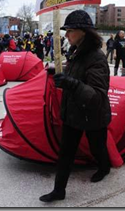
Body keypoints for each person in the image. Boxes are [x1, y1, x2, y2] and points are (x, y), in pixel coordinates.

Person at [39, 10, 111, 202]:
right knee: (66, 153)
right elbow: (76, 74)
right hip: (73, 112)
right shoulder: (75, 52)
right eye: (66, 30)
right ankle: (59, 191)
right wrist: (59, 72)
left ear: (84, 32)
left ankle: (104, 168)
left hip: (93, 115)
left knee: (98, 148)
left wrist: (70, 83)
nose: (66, 34)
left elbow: (97, 95)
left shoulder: (97, 57)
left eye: (70, 30)